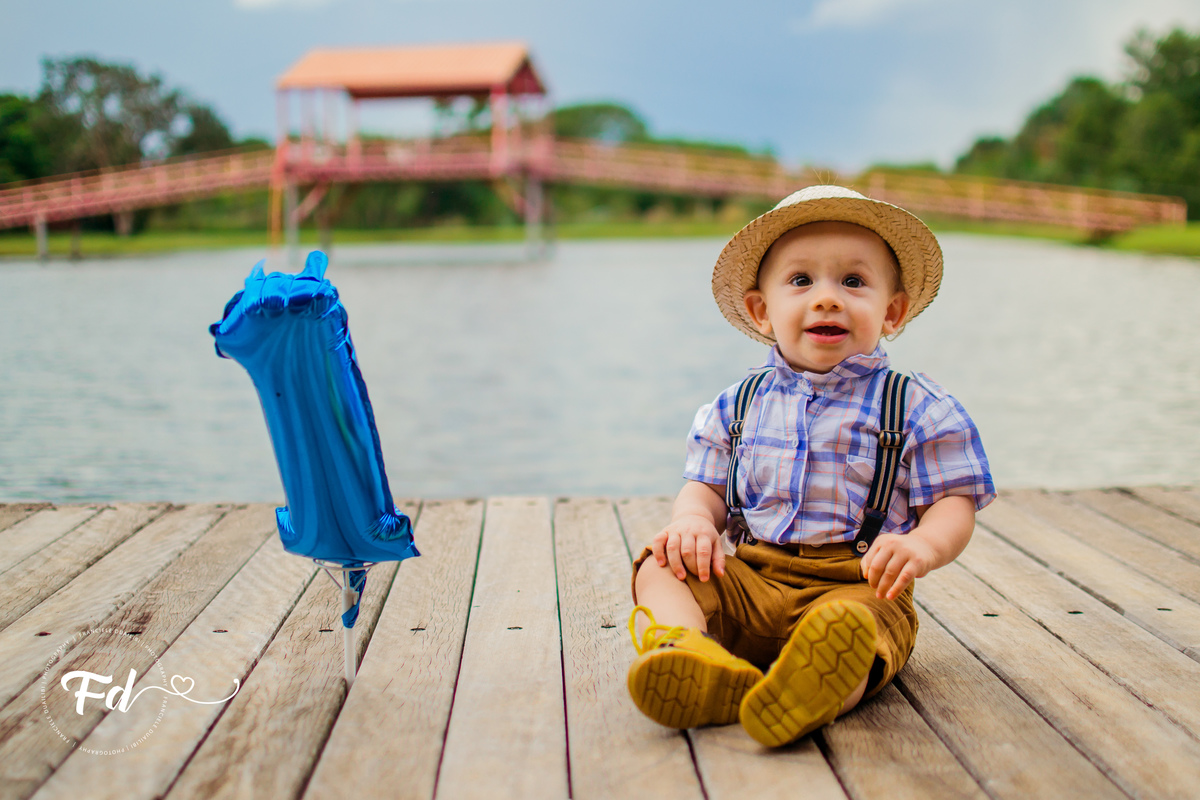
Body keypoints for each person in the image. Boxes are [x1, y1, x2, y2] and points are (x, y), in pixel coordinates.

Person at [627, 185, 995, 748]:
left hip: (857, 586)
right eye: (801, 281)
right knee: (659, 563)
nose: (827, 298)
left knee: (853, 634)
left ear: (892, 311)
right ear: (762, 311)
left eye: (853, 282)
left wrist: (925, 545)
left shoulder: (917, 406)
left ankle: (814, 689)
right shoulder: (738, 403)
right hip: (751, 578)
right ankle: (688, 653)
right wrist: (695, 522)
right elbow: (704, 486)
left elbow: (953, 503)